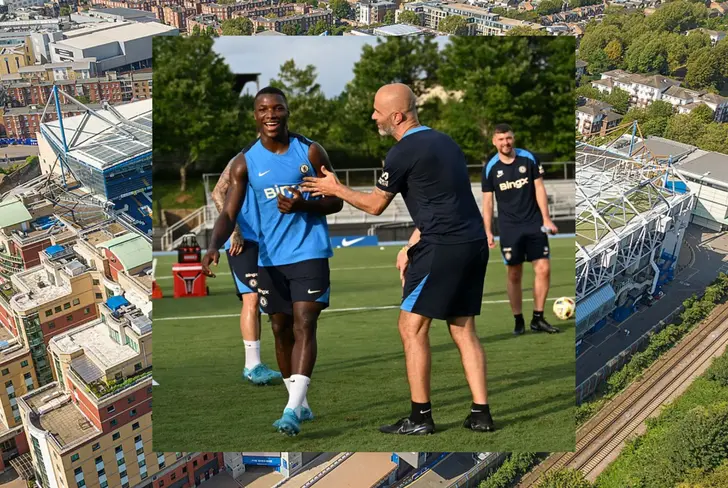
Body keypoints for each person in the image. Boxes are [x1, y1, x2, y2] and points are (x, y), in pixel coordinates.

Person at [301, 83, 495, 435]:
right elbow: (443, 201)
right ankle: (481, 413)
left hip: (443, 247)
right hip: (472, 243)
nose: (373, 116)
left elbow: (375, 205)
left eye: (377, 111)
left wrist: (335, 188)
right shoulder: (446, 142)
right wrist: (410, 246)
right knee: (463, 329)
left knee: (411, 327)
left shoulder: (403, 151)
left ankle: (420, 417)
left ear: (397, 116)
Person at [202, 86, 343, 436]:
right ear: (255, 115)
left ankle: (291, 410)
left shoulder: (309, 151)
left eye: (277, 108)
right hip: (269, 259)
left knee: (304, 323)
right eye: (263, 109)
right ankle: (300, 401)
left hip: (309, 252)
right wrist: (213, 244)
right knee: (280, 329)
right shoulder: (245, 162)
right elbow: (228, 211)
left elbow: (336, 201)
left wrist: (304, 204)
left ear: (287, 112)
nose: (270, 115)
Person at [481, 124, 560, 335]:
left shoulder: (528, 158)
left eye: (508, 138)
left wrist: (546, 219)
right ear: (494, 142)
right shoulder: (490, 167)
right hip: (509, 227)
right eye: (500, 139)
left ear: (513, 138)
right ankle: (518, 319)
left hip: (534, 223)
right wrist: (487, 230)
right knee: (514, 274)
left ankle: (538, 318)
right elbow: (488, 203)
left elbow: (539, 188)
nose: (505, 142)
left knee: (543, 269)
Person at [210, 162, 281, 385]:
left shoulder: (286, 158)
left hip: (272, 239)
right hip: (244, 241)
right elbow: (218, 192)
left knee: (275, 299)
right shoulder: (242, 159)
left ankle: (282, 361)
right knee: (252, 299)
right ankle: (252, 365)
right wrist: (234, 230)